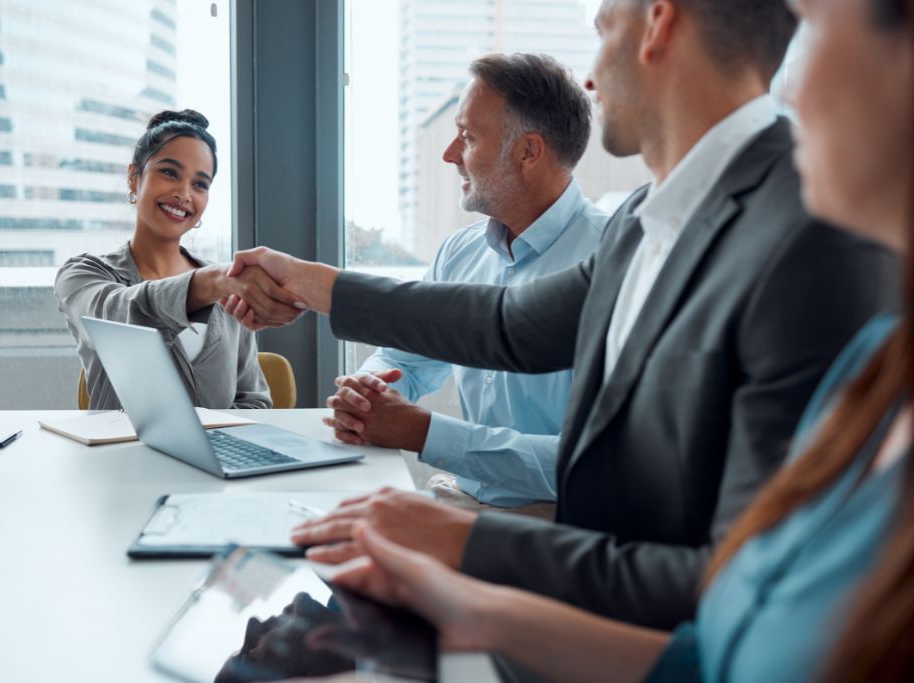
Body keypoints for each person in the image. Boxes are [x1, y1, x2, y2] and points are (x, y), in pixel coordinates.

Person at [225, 0, 899, 630]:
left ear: (658, 23)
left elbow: (734, 582)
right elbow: (507, 324)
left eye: (604, 28)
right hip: (572, 596)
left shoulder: (812, 231)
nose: (590, 73)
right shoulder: (644, 217)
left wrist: (467, 543)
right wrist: (314, 285)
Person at [328, 53, 607, 511]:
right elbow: (405, 359)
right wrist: (368, 391)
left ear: (528, 151)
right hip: (460, 497)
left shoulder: (613, 259)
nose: (449, 155)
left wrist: (422, 431)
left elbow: (593, 463)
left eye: (467, 137)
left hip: (564, 522)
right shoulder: (461, 252)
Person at [55, 109, 301, 410]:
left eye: (200, 184)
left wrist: (221, 444)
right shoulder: (84, 274)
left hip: (220, 455)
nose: (184, 194)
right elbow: (116, 319)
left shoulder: (227, 285)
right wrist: (213, 283)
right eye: (170, 172)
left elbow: (253, 399)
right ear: (134, 179)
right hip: (123, 455)